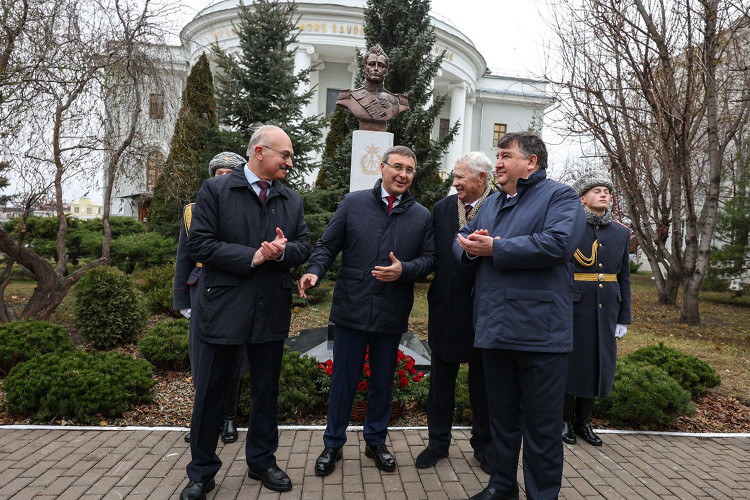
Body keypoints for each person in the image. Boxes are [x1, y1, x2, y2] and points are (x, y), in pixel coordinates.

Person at [178, 125, 311, 500]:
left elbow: (304, 244)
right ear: (259, 153)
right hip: (223, 308)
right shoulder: (216, 190)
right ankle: (201, 472)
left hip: (271, 310)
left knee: (266, 391)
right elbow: (200, 244)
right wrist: (253, 256)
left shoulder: (290, 198)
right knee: (211, 394)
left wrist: (283, 252)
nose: (289, 161)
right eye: (284, 155)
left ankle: (262, 462)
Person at [454, 132, 585, 500]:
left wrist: (495, 247)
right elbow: (460, 239)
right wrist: (467, 247)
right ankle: (501, 485)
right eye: (497, 156)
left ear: (531, 162)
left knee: (542, 429)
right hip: (495, 329)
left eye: (505, 155)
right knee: (502, 422)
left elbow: (559, 243)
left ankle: (542, 495)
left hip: (540, 334)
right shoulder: (493, 203)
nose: (497, 162)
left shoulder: (559, 196)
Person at [298, 145, 436, 477]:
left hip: (391, 311)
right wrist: (315, 270)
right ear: (382, 167)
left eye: (410, 170)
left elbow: (431, 259)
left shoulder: (421, 215)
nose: (403, 174)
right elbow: (328, 244)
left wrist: (404, 269)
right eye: (397, 167)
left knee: (382, 383)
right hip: (352, 308)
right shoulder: (354, 203)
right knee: (343, 380)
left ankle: (376, 442)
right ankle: (333, 444)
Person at [415, 152, 493, 473]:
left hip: (484, 310)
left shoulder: (500, 207)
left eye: (461, 177)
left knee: (483, 384)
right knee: (441, 381)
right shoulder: (443, 208)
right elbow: (433, 254)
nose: (454, 182)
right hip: (446, 306)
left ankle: (484, 446)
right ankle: (437, 443)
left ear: (482, 179)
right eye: (454, 176)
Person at [173, 151, 244, 445]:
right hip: (201, 287)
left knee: (235, 357)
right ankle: (203, 421)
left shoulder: (247, 209)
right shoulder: (193, 211)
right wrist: (183, 300)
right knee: (202, 359)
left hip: (235, 288)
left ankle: (228, 418)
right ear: (211, 177)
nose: (224, 179)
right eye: (219, 174)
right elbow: (184, 257)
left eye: (230, 174)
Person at [562, 171, 632, 447]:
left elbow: (623, 276)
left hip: (606, 310)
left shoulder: (621, 232)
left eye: (607, 190)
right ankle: (565, 421)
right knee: (571, 362)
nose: (604, 194)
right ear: (582, 198)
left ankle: (584, 422)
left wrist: (623, 317)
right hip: (574, 304)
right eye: (597, 190)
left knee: (596, 363)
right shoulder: (570, 227)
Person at [336, 44, 409, 131]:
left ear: (386, 71)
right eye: (372, 64)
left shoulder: (399, 102)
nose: (376, 68)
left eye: (381, 65)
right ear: (364, 68)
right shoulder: (348, 97)